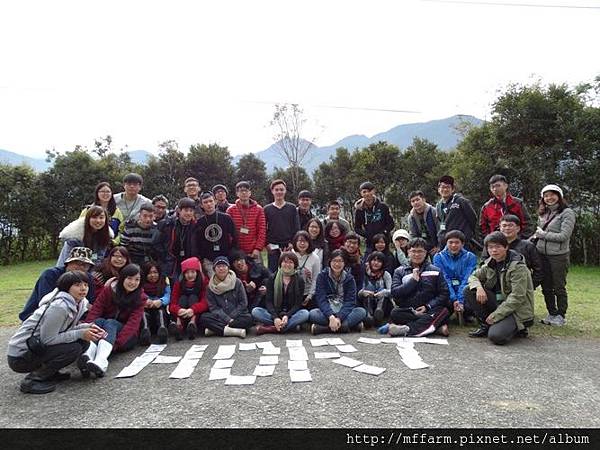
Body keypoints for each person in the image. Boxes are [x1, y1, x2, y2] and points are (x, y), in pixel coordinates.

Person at [8, 271, 103, 394]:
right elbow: (48, 339)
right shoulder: (59, 306)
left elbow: (65, 329)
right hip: (21, 356)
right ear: (66, 287)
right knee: (73, 348)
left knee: (83, 342)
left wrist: (87, 327)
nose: (83, 288)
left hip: (37, 348)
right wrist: (80, 333)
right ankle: (32, 380)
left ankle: (50, 373)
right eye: (77, 285)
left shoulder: (79, 302)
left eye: (85, 284)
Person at [465, 232, 534, 344]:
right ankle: (485, 325)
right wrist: (479, 287)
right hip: (499, 303)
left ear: (506, 247)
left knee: (496, 336)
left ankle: (519, 328)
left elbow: (517, 297)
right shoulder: (490, 263)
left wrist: (496, 315)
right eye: (490, 247)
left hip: (516, 310)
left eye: (498, 247)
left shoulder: (517, 267)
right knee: (468, 290)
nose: (494, 250)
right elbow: (473, 276)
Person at [82, 264, 146, 377]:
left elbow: (133, 324)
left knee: (111, 322)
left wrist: (115, 343)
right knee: (98, 321)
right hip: (105, 331)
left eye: (137, 279)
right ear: (122, 278)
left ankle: (101, 361)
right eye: (129, 278)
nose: (133, 282)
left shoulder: (140, 297)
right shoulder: (109, 290)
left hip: (125, 337)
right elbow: (96, 310)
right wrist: (86, 329)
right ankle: (88, 355)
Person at [384, 238, 450, 337]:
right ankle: (435, 327)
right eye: (413, 251)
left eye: (420, 251)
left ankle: (407, 329)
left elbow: (444, 294)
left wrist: (428, 306)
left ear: (425, 253)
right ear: (408, 252)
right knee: (395, 313)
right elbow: (395, 293)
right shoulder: (400, 271)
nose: (416, 254)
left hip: (429, 310)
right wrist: (412, 281)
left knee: (443, 311)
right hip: (409, 310)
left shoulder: (435, 271)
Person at [533, 184, 576, 327]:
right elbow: (539, 233)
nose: (549, 198)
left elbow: (564, 236)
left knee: (559, 286)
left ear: (559, 196)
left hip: (558, 255)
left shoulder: (567, 213)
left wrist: (543, 235)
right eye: (546, 195)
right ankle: (551, 313)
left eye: (552, 194)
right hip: (542, 254)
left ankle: (561, 315)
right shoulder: (543, 213)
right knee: (546, 286)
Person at [19, 247, 96, 321]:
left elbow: (90, 304)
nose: (81, 267)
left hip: (72, 319)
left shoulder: (89, 279)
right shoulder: (50, 275)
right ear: (68, 263)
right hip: (39, 316)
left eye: (85, 265)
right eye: (77, 263)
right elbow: (46, 303)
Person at [309, 250, 367, 335]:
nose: (337, 264)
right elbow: (321, 299)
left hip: (343, 310)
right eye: (334, 261)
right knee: (312, 314)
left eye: (340, 261)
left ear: (344, 263)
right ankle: (346, 327)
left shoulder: (349, 279)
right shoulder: (322, 276)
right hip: (328, 310)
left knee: (361, 311)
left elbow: (350, 302)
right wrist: (331, 316)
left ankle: (324, 329)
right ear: (330, 262)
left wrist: (339, 318)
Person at [252, 252, 310, 335]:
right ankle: (287, 326)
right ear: (280, 263)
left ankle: (271, 328)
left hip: (290, 314)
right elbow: (269, 302)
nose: (287, 265)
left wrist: (287, 315)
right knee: (256, 311)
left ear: (295, 265)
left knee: (305, 314)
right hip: (275, 312)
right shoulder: (273, 278)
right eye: (285, 262)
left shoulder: (299, 280)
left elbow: (298, 304)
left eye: (290, 262)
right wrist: (275, 317)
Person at [481, 215, 543, 288]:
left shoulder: (528, 246)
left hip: (520, 286)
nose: (507, 228)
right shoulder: (491, 245)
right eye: (504, 226)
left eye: (511, 225)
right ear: (500, 228)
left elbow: (539, 270)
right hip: (496, 286)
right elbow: (483, 264)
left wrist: (529, 285)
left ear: (518, 228)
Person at [199, 257, 254, 338]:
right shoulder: (210, 287)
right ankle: (232, 331)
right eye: (218, 266)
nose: (221, 268)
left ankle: (216, 329)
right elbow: (213, 307)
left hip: (237, 316)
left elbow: (243, 303)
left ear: (228, 268)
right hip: (220, 316)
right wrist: (226, 319)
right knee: (204, 318)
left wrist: (232, 317)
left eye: (224, 266)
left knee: (249, 319)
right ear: (214, 269)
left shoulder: (237, 282)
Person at [433, 230, 478, 322]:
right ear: (446, 243)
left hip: (464, 289)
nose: (454, 245)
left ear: (463, 244)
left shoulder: (470, 257)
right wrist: (454, 299)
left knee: (470, 304)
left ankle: (466, 313)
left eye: (457, 242)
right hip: (447, 290)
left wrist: (460, 300)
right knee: (445, 303)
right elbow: (445, 279)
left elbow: (467, 278)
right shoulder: (438, 257)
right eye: (451, 242)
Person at [195, 192, 237, 277]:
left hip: (225, 256)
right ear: (201, 205)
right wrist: (202, 258)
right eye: (205, 202)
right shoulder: (199, 223)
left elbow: (234, 237)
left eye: (210, 201)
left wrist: (231, 254)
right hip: (209, 259)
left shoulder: (226, 218)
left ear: (215, 201)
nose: (209, 204)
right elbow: (198, 242)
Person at [480, 174, 534, 240]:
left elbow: (527, 223)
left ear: (506, 186)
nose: (495, 189)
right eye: (492, 187)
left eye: (498, 186)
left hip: (517, 241)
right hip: (496, 243)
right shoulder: (487, 207)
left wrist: (521, 239)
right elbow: (483, 227)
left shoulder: (517, 203)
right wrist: (490, 240)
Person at [157, 197, 198, 283]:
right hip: (170, 262)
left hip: (188, 261)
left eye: (191, 211)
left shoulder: (196, 226)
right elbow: (156, 243)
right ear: (179, 210)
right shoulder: (167, 224)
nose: (188, 213)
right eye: (186, 210)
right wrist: (164, 257)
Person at [264, 179, 300, 272]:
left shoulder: (292, 208)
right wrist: (266, 244)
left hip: (288, 247)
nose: (279, 192)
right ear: (272, 191)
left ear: (285, 191)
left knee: (289, 272)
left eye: (281, 189)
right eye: (276, 190)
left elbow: (296, 227)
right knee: (273, 273)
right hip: (272, 247)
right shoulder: (267, 209)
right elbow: (263, 228)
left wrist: (292, 243)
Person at [435, 175, 479, 253]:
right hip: (446, 243)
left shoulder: (461, 201)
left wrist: (467, 235)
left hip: (462, 243)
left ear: (452, 189)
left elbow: (473, 218)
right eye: (442, 187)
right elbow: (440, 223)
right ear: (438, 189)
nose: (445, 189)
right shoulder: (438, 205)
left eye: (447, 187)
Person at [168, 257, 209, 340]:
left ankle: (192, 324)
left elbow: (205, 302)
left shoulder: (204, 282)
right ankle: (179, 325)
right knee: (183, 298)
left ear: (197, 272)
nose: (190, 275)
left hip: (196, 312)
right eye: (187, 273)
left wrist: (193, 310)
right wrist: (179, 310)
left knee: (193, 297)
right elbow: (172, 304)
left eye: (193, 272)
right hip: (182, 311)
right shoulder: (178, 283)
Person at [226, 181, 267, 261]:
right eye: (241, 191)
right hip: (236, 252)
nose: (244, 193)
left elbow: (262, 230)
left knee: (257, 273)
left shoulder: (258, 209)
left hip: (253, 251)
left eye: (246, 190)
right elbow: (228, 233)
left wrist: (257, 248)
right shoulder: (230, 210)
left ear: (250, 193)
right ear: (237, 193)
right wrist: (232, 249)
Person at [353, 182, 395, 254]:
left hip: (384, 241)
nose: (367, 194)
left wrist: (383, 232)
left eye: (369, 191)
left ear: (373, 191)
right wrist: (367, 234)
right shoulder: (359, 210)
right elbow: (357, 228)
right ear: (361, 193)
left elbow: (391, 224)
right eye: (364, 192)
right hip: (370, 242)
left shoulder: (383, 207)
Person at [138, 261, 172, 345]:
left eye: (155, 272)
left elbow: (168, 295)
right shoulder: (140, 283)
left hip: (160, 309)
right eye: (149, 273)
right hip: (147, 309)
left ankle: (162, 330)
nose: (152, 275)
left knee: (160, 311)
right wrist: (146, 301)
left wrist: (160, 301)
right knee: (143, 312)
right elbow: (139, 294)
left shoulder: (164, 281)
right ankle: (145, 331)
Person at [359, 251, 392, 327]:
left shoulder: (386, 274)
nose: (376, 263)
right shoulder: (363, 272)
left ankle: (379, 312)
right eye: (374, 260)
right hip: (367, 300)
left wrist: (383, 292)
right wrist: (363, 292)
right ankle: (369, 315)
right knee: (369, 287)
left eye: (379, 261)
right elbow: (358, 291)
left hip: (382, 301)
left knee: (383, 292)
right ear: (370, 261)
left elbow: (391, 290)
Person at [291, 231, 321, 309]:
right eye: (300, 241)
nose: (302, 244)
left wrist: (310, 296)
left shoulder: (315, 258)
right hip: (292, 294)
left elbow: (316, 279)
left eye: (305, 241)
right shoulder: (290, 255)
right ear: (295, 242)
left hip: (308, 294)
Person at [407, 190, 440, 256]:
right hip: (422, 246)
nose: (415, 203)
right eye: (413, 201)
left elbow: (440, 230)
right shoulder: (411, 217)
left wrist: (439, 246)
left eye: (417, 200)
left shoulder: (433, 211)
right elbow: (413, 235)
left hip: (436, 244)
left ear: (424, 200)